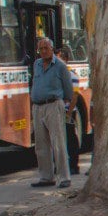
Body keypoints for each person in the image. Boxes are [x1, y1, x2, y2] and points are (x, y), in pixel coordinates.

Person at [30, 37, 74, 188]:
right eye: (40, 49)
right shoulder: (36, 64)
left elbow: (68, 88)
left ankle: (64, 177)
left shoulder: (60, 66)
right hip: (37, 106)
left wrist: (66, 104)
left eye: (46, 48)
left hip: (53, 105)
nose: (43, 51)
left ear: (52, 49)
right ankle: (46, 177)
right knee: (41, 144)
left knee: (58, 142)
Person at [56, 46, 82, 174]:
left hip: (68, 111)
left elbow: (75, 96)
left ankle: (74, 165)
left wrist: (69, 112)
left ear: (65, 59)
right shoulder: (57, 74)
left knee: (71, 139)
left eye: (58, 58)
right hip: (58, 110)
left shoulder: (72, 75)